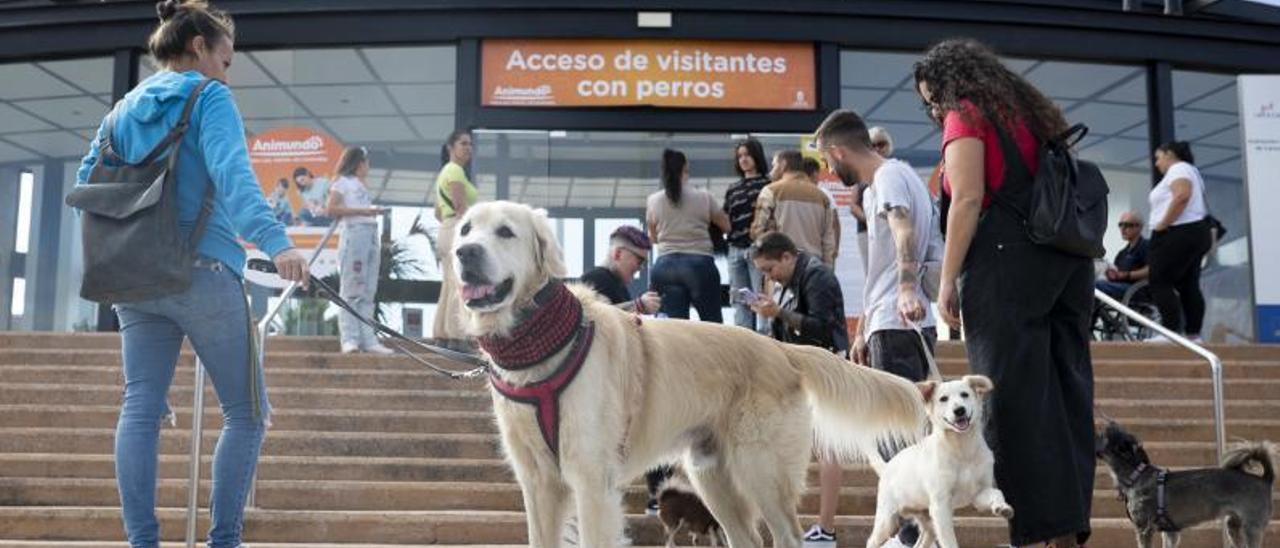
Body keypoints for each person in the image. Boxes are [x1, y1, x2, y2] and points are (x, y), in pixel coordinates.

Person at [73, 1, 310, 546]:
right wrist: (278, 245)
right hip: (203, 271)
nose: (228, 72)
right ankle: (223, 541)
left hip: (133, 275)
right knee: (246, 413)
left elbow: (87, 180)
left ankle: (143, 541)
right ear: (199, 48)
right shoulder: (210, 97)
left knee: (140, 409)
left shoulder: (123, 109)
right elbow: (234, 177)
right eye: (225, 61)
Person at [915, 38, 1094, 548]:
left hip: (1005, 261)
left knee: (1012, 400)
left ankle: (1036, 530)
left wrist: (946, 279)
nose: (934, 109)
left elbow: (968, 197)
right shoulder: (1028, 112)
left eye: (933, 98)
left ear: (952, 86)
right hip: (1066, 260)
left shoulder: (965, 114)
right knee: (1066, 393)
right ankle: (1067, 528)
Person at [815, 109, 939, 547]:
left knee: (898, 434)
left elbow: (903, 233)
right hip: (890, 320)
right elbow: (882, 267)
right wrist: (863, 327)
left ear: (838, 150)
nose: (831, 171)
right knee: (903, 432)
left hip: (900, 320)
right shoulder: (897, 178)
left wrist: (905, 290)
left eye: (829, 162)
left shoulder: (885, 180)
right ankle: (913, 534)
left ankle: (909, 535)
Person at [646, 148, 730, 322]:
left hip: (664, 266)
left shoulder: (653, 200)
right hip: (699, 265)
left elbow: (653, 238)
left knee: (675, 331)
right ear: (685, 168)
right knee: (712, 326)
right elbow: (726, 226)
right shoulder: (704, 197)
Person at [326, 146, 392, 354]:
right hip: (354, 234)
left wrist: (370, 213)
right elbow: (331, 208)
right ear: (359, 163)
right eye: (366, 162)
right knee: (352, 288)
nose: (368, 167)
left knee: (368, 289)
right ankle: (350, 339)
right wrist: (365, 211)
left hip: (370, 233)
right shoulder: (342, 182)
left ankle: (368, 339)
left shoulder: (360, 185)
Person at [1148, 141, 1213, 341]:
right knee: (1188, 284)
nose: (1157, 164)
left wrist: (1162, 224)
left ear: (1170, 154)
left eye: (1158, 158)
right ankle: (1193, 334)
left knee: (1160, 281)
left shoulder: (1179, 168)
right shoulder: (1191, 171)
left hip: (1178, 232)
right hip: (1194, 231)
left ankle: (1170, 331)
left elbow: (1182, 196)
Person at [749, 231, 848, 352]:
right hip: (799, 358)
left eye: (769, 269)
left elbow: (822, 329)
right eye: (763, 272)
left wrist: (779, 313)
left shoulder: (817, 277)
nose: (768, 277)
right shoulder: (784, 278)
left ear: (787, 257)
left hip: (825, 361)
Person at [751, 149, 838, 267]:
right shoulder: (822, 196)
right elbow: (828, 240)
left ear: (783, 165)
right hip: (813, 265)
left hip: (780, 263)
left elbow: (758, 231)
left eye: (774, 165)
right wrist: (828, 269)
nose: (771, 171)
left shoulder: (770, 191)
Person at [432, 129, 477, 349]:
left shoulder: (444, 172)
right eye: (463, 143)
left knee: (449, 284)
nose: (468, 148)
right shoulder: (456, 171)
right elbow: (461, 207)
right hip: (457, 230)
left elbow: (437, 212)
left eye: (470, 144)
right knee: (459, 283)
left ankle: (441, 334)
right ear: (451, 148)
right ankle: (456, 336)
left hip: (446, 229)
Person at [723, 138, 772, 333]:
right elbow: (725, 218)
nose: (743, 159)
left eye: (747, 155)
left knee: (759, 296)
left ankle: (763, 340)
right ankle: (742, 338)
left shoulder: (768, 185)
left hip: (758, 248)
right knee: (739, 298)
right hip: (735, 248)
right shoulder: (732, 188)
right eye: (740, 156)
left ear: (756, 156)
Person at [578, 225, 661, 315]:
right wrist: (638, 306)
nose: (641, 267)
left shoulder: (618, 285)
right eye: (640, 261)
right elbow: (595, 317)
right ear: (618, 254)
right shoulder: (593, 280)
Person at [1096, 210, 1150, 300]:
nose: (1123, 229)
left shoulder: (1146, 246)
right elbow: (1117, 273)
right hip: (1123, 287)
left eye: (1128, 225)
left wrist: (1127, 275)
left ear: (1139, 227)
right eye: (1120, 225)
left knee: (1096, 285)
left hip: (1137, 290)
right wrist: (1111, 273)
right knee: (1091, 283)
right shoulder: (1122, 253)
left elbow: (1152, 270)